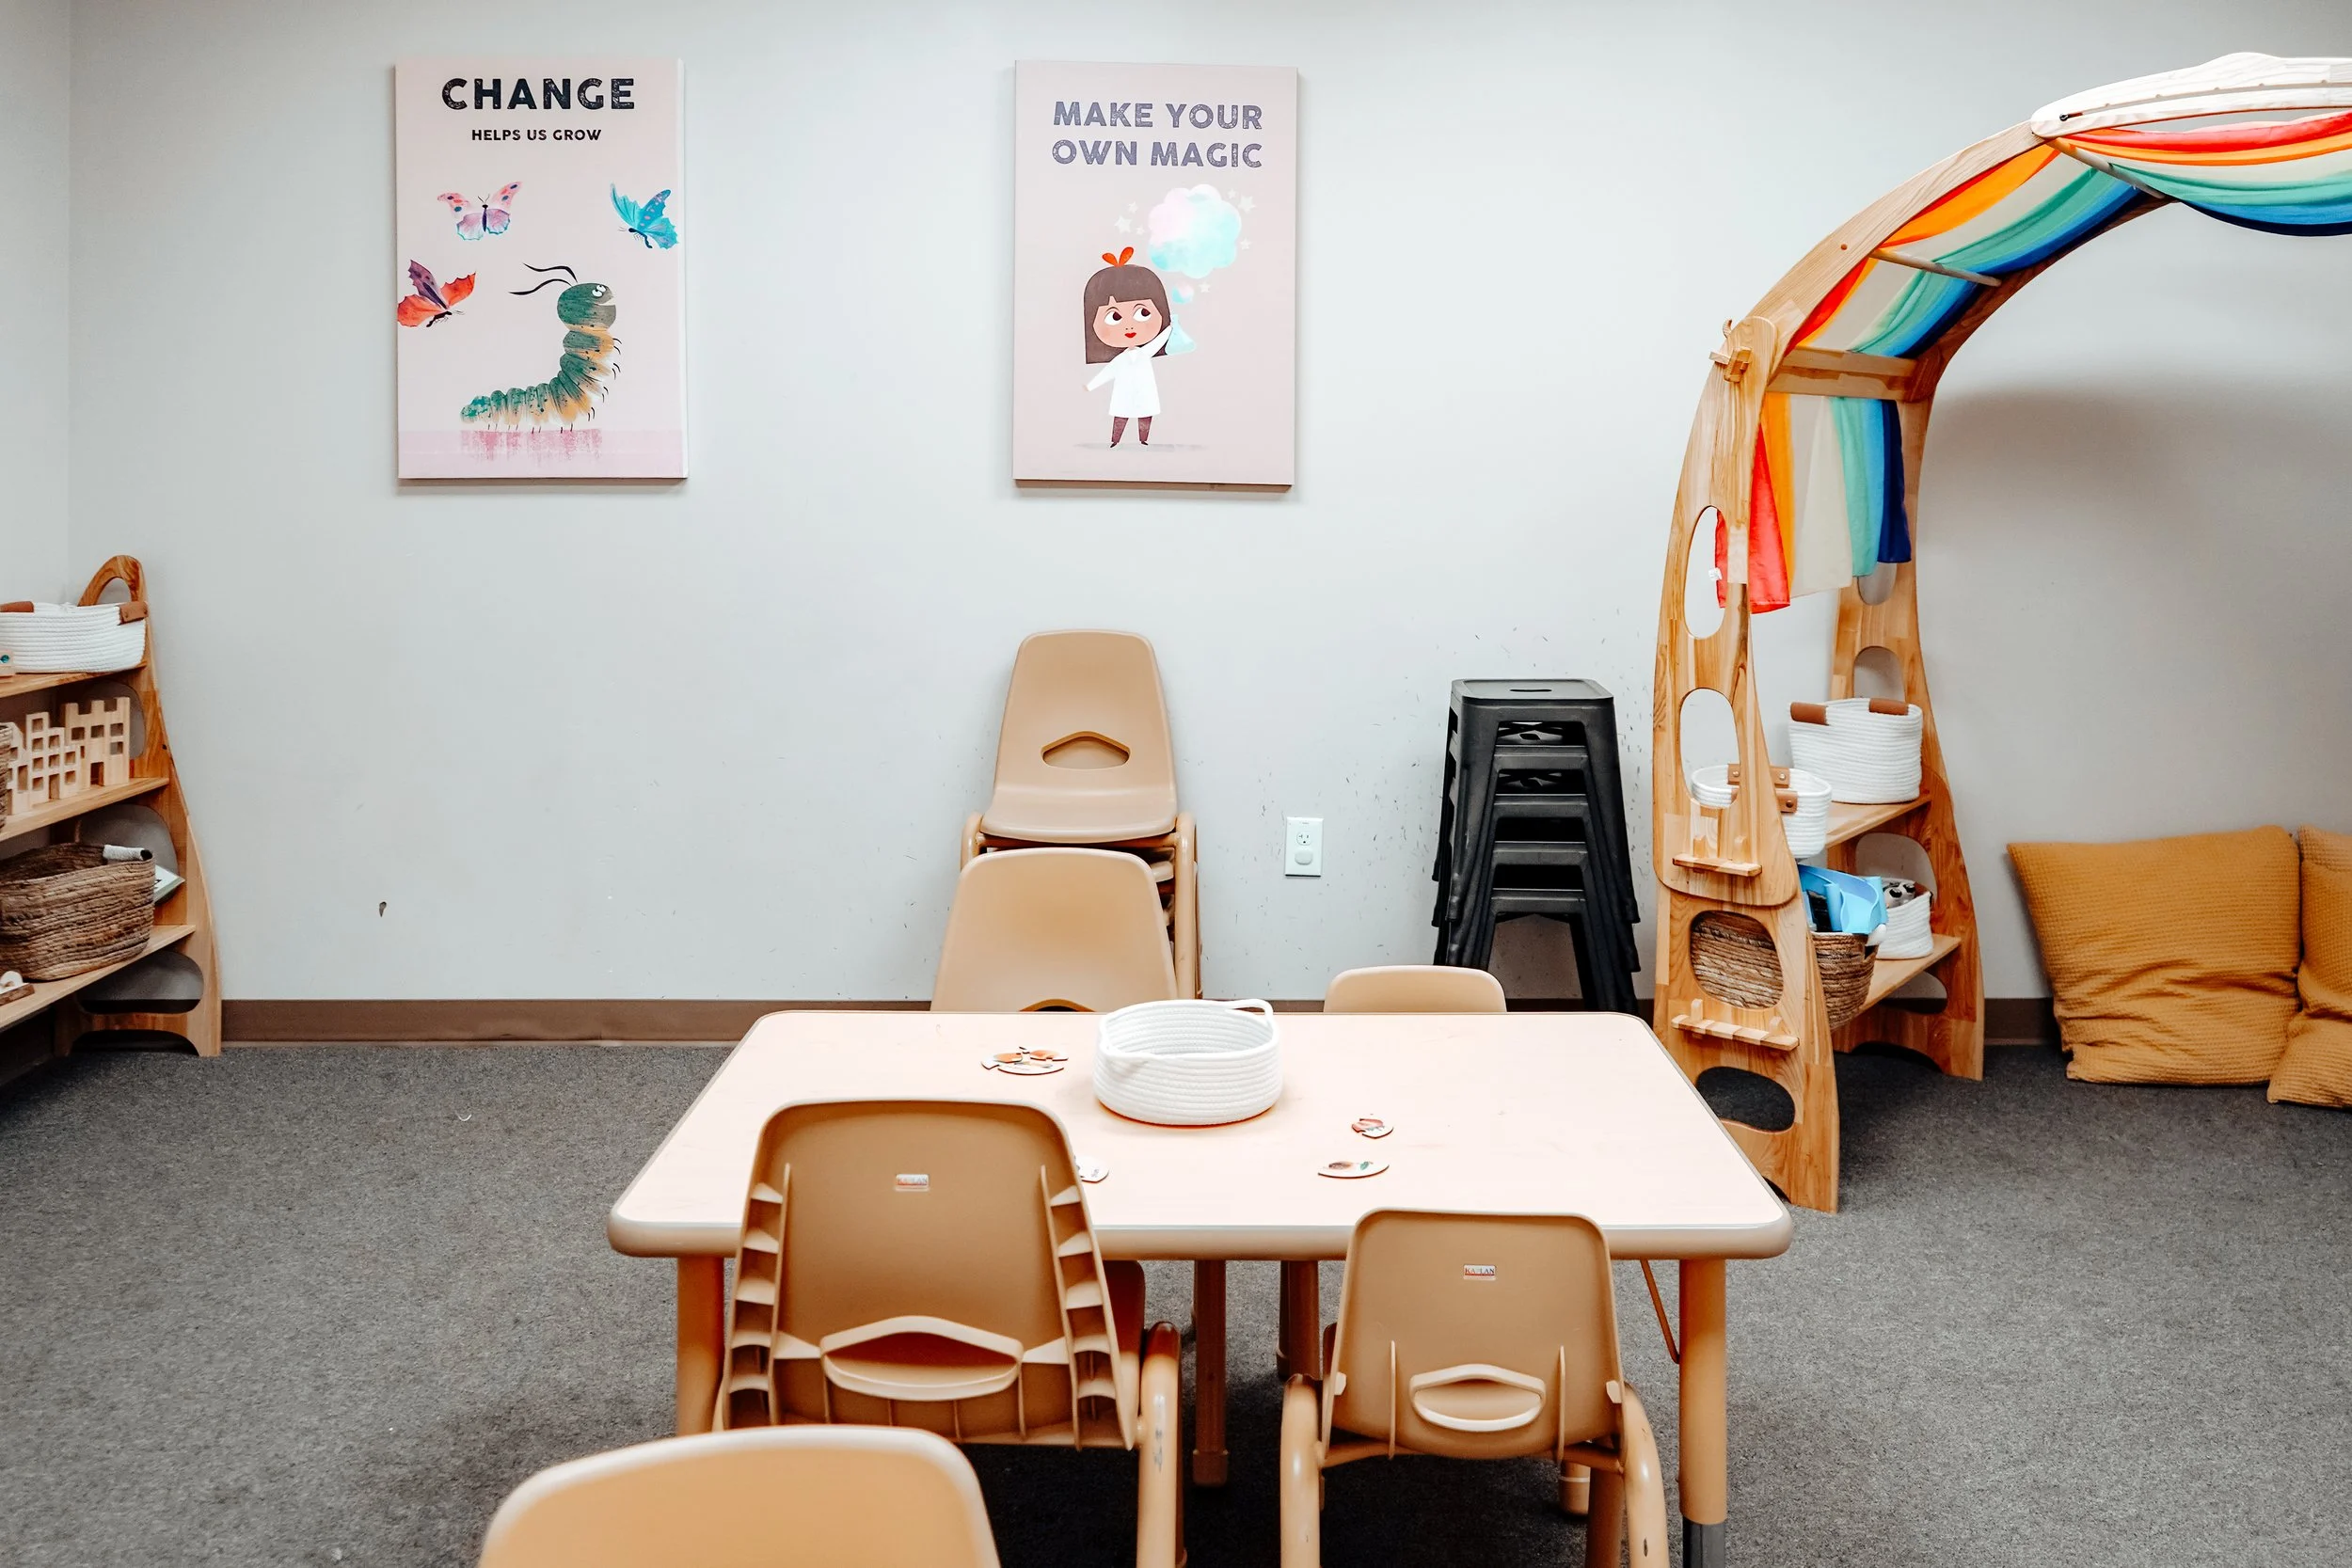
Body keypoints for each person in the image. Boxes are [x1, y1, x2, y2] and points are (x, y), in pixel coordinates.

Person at [1081, 247, 1176, 447]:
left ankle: (1144, 440)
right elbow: (1107, 373)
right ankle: (1115, 440)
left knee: (1145, 415)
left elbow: (1159, 340)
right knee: (1121, 416)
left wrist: (1170, 328)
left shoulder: (1145, 352)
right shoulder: (1120, 359)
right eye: (1115, 317)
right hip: (1123, 395)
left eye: (1142, 313)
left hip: (1145, 392)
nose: (1129, 326)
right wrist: (1090, 386)